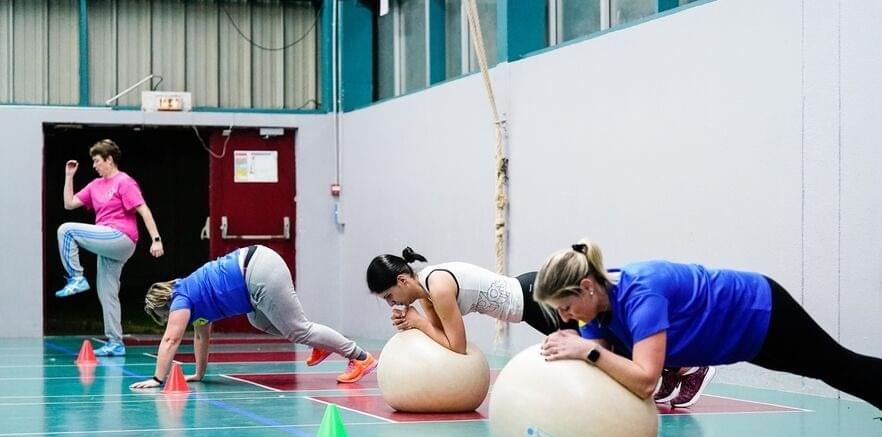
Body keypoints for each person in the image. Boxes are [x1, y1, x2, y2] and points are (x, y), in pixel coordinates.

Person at [534, 239, 882, 437]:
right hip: (739, 340)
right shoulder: (595, 313)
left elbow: (644, 380)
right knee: (825, 370)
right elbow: (603, 362)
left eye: (566, 308)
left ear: (587, 286)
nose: (567, 318)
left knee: (838, 364)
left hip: (759, 309)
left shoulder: (642, 294)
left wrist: (586, 352)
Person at [129, 245, 376, 390]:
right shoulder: (195, 304)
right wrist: (199, 374)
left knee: (299, 330)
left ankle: (360, 357)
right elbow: (201, 338)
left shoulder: (181, 298)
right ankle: (320, 344)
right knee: (257, 320)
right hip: (255, 270)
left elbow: (171, 340)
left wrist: (156, 379)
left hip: (258, 271)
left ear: (165, 306)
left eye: (163, 316)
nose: (168, 319)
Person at [57, 139, 164, 356]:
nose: (94, 165)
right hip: (107, 242)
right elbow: (69, 204)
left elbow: (144, 210)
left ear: (109, 160)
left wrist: (156, 239)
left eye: (97, 161)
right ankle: (116, 343)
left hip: (121, 238)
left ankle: (76, 277)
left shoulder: (125, 182)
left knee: (66, 231)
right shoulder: (95, 185)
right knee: (107, 293)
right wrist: (69, 176)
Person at [366, 247, 579, 354]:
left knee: (585, 345)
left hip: (534, 297)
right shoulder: (426, 293)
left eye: (389, 296)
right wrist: (412, 322)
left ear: (402, 280)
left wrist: (418, 322)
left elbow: (457, 346)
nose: (392, 303)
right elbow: (441, 337)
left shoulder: (438, 287)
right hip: (528, 302)